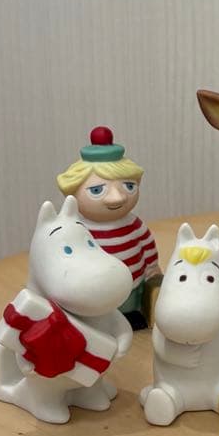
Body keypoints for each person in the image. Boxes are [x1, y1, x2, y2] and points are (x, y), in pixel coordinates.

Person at [56, 126, 161, 330]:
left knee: (128, 303)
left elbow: (147, 245)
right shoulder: (77, 228)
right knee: (98, 309)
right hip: (93, 289)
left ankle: (129, 316)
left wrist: (152, 267)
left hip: (132, 282)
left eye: (129, 186)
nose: (117, 198)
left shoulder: (134, 224)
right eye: (97, 190)